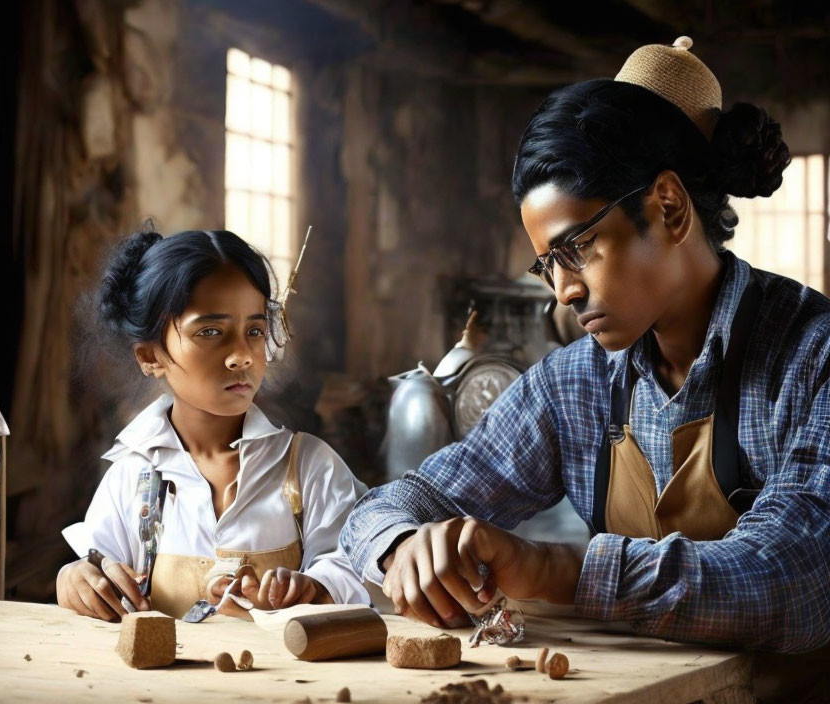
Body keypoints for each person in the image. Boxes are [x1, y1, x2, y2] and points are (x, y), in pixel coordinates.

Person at [341, 37, 830, 654]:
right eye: (547, 265)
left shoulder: (813, 358)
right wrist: (402, 545)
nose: (564, 293)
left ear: (671, 207)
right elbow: (387, 505)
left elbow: (794, 578)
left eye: (578, 248)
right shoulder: (573, 385)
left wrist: (554, 570)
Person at [57, 228, 369, 621]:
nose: (242, 356)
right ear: (150, 355)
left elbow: (362, 564)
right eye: (210, 332)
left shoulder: (309, 468)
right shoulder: (131, 477)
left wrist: (318, 587)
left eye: (255, 331)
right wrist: (76, 578)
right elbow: (98, 568)